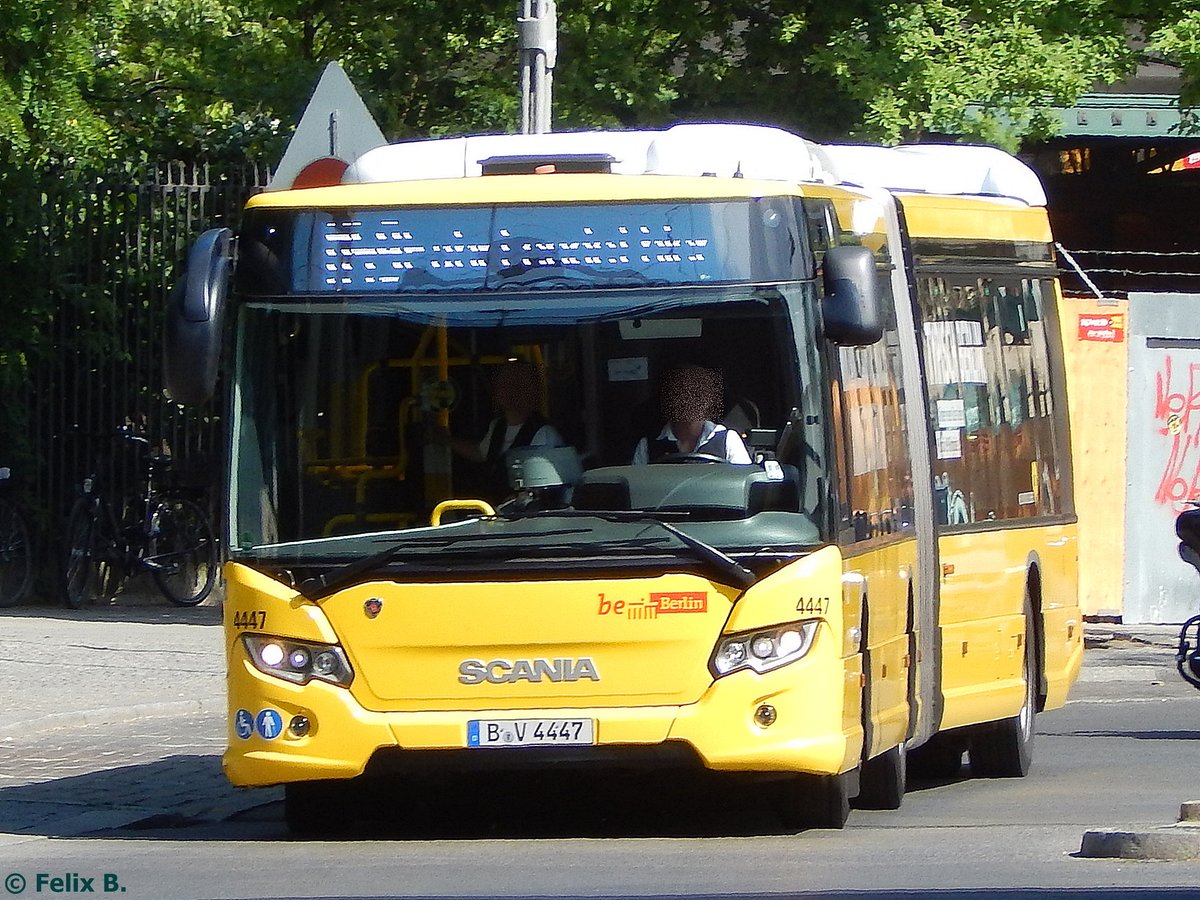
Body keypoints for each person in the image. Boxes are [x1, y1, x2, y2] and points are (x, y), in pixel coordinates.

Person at [439, 360, 564, 480]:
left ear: (533, 391)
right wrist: (446, 439)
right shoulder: (497, 426)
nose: (509, 390)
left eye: (518, 384)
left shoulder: (544, 433)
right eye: (505, 383)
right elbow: (481, 453)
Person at [632, 363, 752, 465]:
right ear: (670, 399)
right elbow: (637, 487)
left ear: (709, 400)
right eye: (682, 392)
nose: (689, 400)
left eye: (697, 394)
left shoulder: (728, 440)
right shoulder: (647, 446)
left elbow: (742, 484)